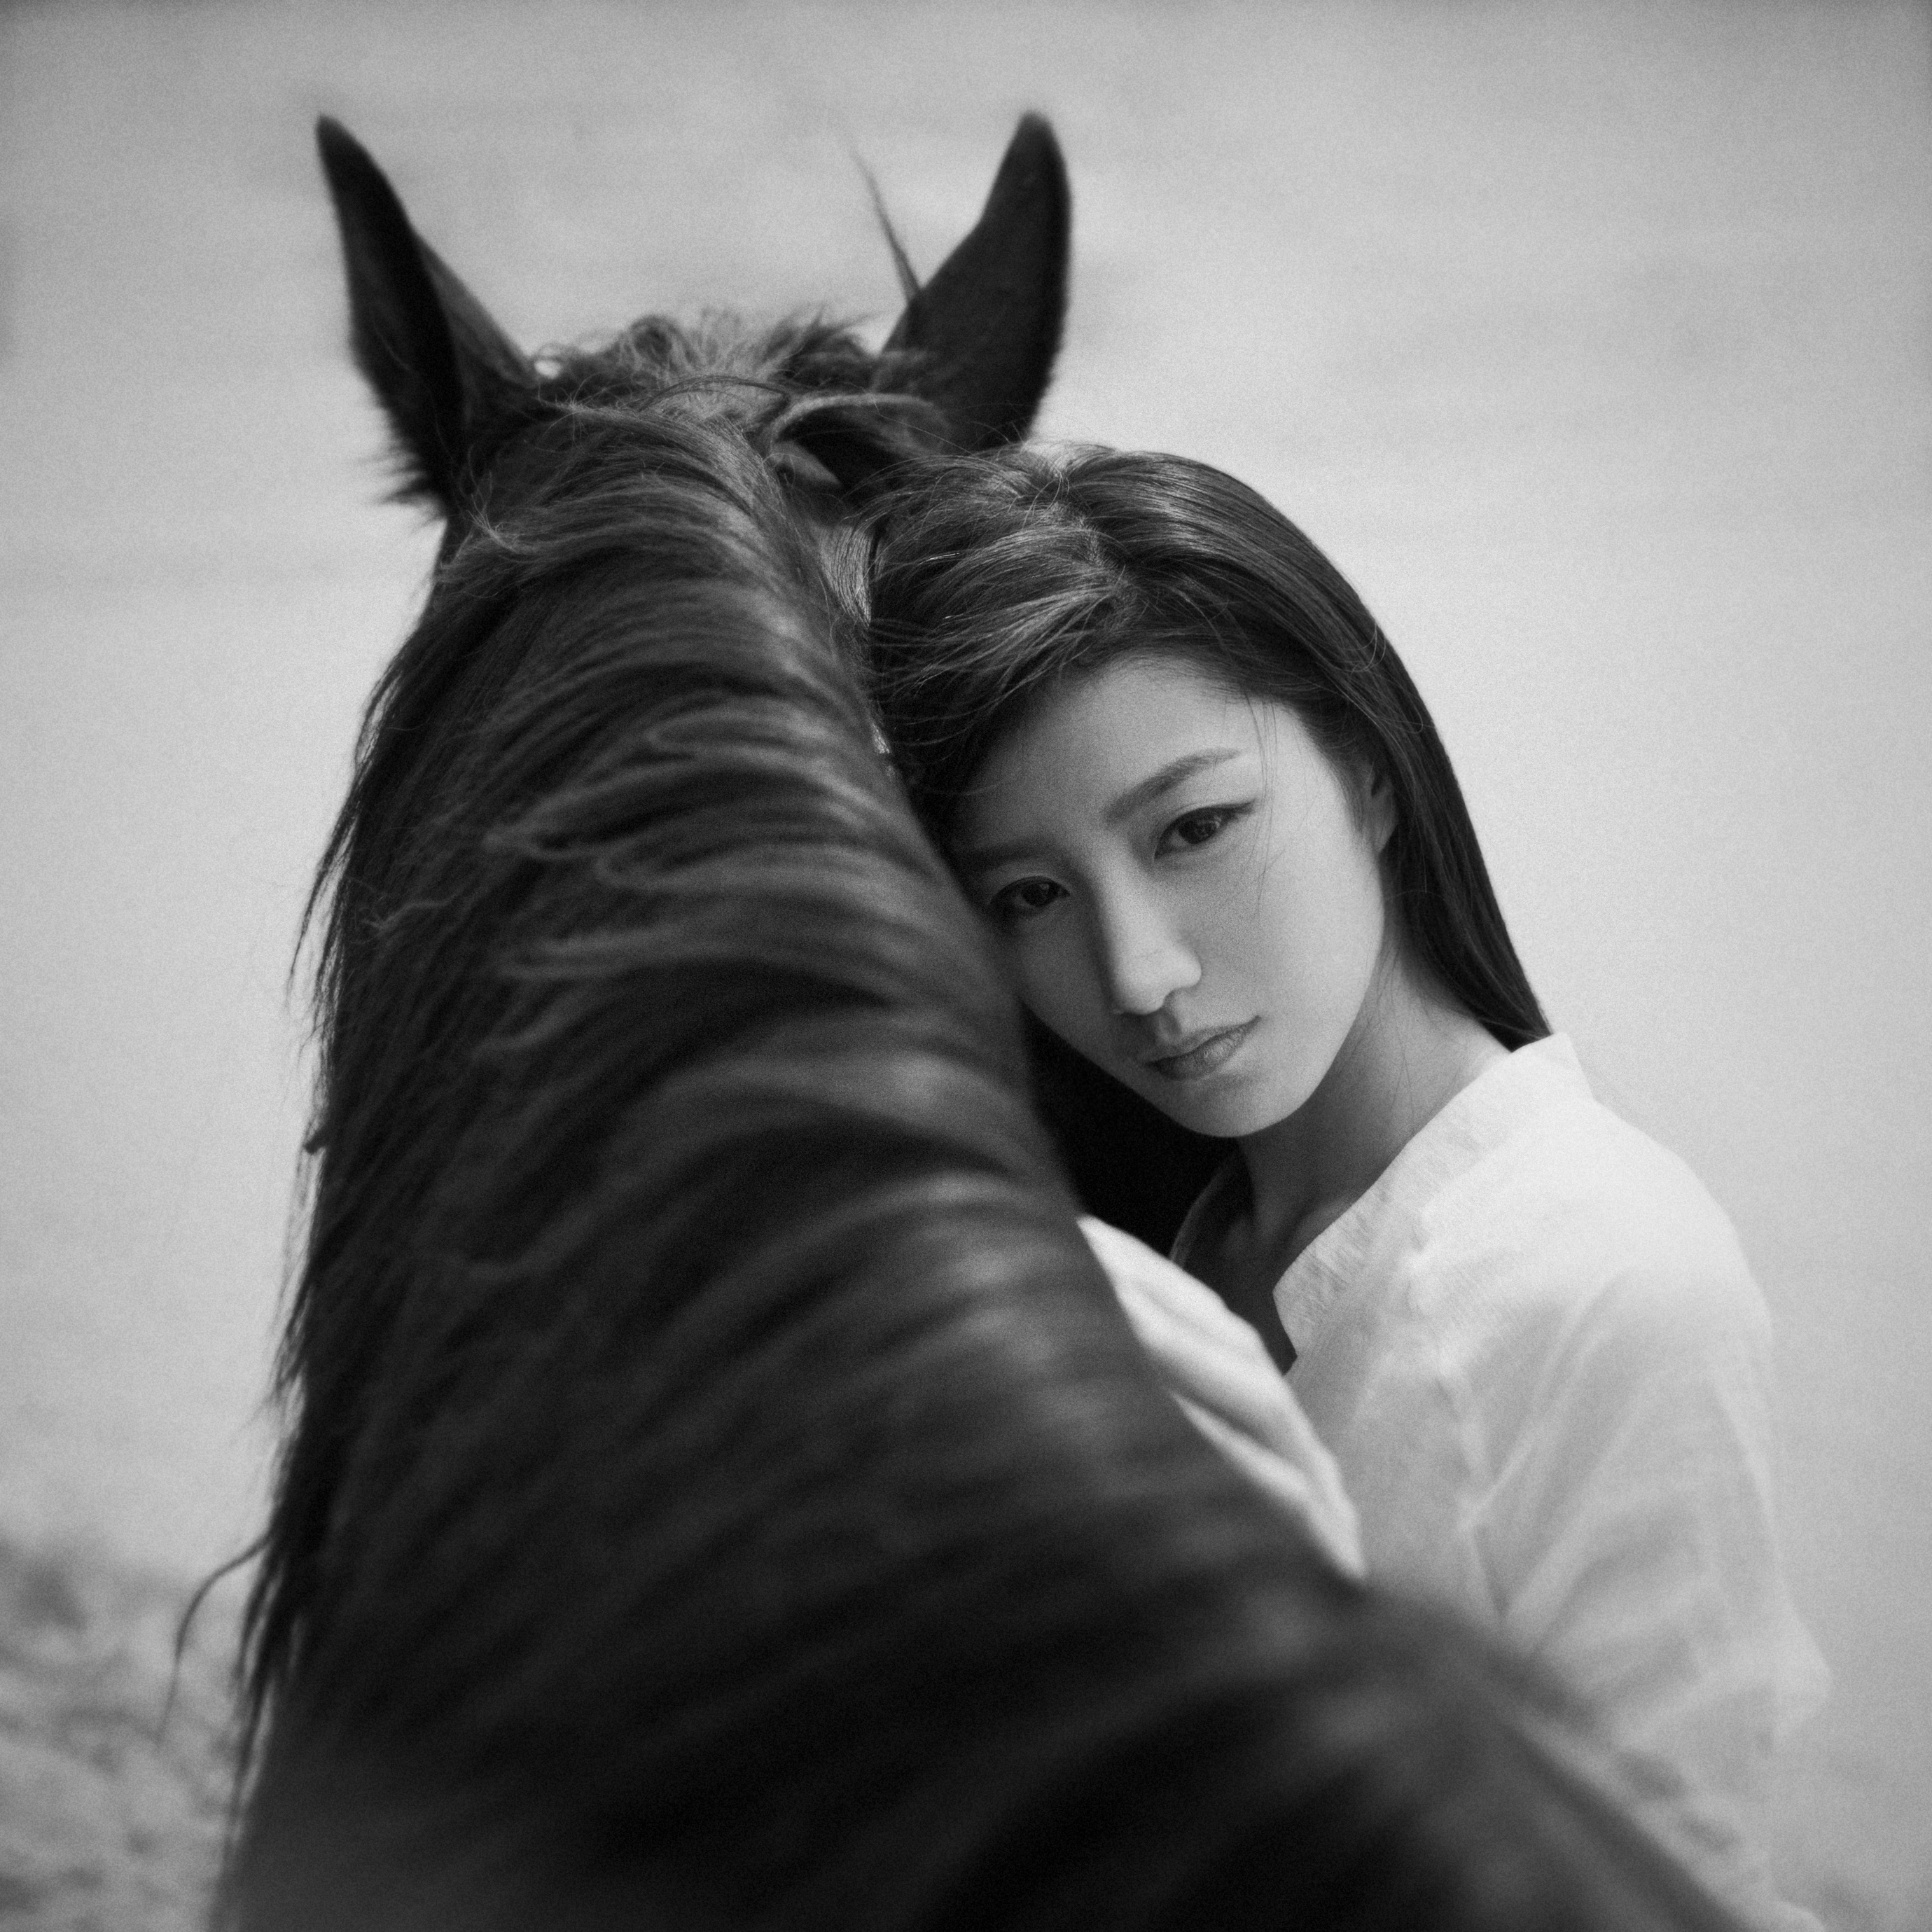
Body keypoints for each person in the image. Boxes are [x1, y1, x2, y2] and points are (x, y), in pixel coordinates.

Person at [863, 443, 1828, 1929]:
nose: (1139, 973)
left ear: (1368, 769)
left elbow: (1671, 1893)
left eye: (1194, 829)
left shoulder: (1608, 1280)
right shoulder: (1134, 1261)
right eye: (1031, 896)